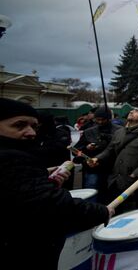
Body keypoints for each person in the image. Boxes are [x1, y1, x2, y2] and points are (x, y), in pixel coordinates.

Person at [0, 98, 113, 268]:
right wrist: (101, 211)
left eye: (34, 126)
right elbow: (52, 204)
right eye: (19, 125)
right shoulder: (11, 157)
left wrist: (40, 177)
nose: (31, 132)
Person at [89, 108, 138, 211]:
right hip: (116, 180)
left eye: (136, 112)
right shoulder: (119, 132)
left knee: (135, 212)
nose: (131, 111)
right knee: (117, 211)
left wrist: (136, 173)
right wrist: (97, 158)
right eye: (131, 110)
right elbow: (109, 150)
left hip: (135, 183)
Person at [74, 106, 123, 202]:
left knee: (112, 195)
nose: (100, 122)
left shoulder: (119, 130)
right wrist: (86, 148)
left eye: (103, 120)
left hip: (112, 168)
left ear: (109, 118)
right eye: (98, 119)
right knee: (92, 193)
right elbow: (77, 149)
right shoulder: (89, 131)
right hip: (93, 169)